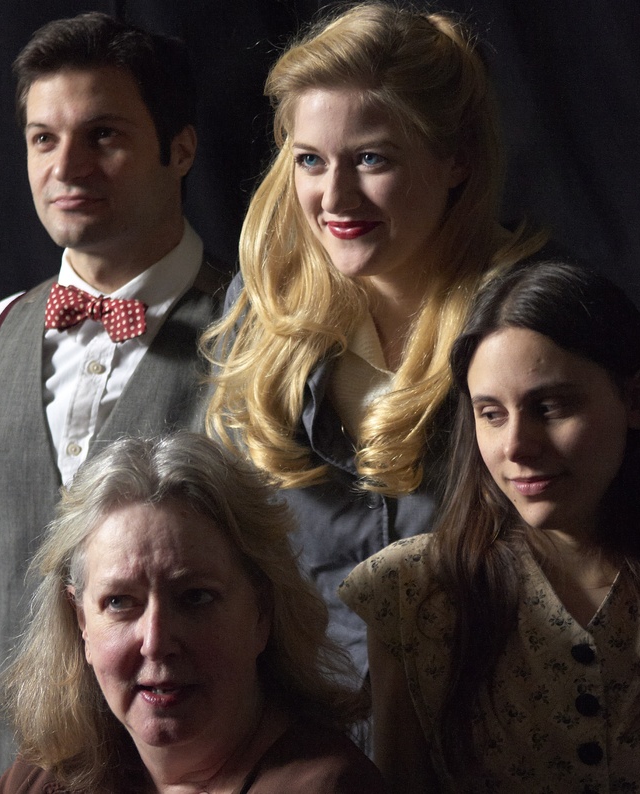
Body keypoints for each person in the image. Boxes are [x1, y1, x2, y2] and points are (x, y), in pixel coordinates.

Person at [203, 2, 546, 687]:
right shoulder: (258, 312)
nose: (335, 196)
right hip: (308, 737)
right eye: (309, 160)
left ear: (456, 160)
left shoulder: (530, 321)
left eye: (370, 158)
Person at [0, 12, 226, 787]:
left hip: (186, 770)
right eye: (43, 138)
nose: (67, 166)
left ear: (181, 149)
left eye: (103, 136)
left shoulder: (262, 343)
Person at [339, 260, 640, 792]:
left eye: (549, 406)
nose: (516, 446)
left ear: (635, 400)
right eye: (491, 414)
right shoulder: (413, 592)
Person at [0, 433, 387, 794]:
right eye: (120, 602)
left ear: (261, 612)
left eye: (195, 597)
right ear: (80, 621)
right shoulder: (43, 778)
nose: (157, 641)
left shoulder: (330, 787)